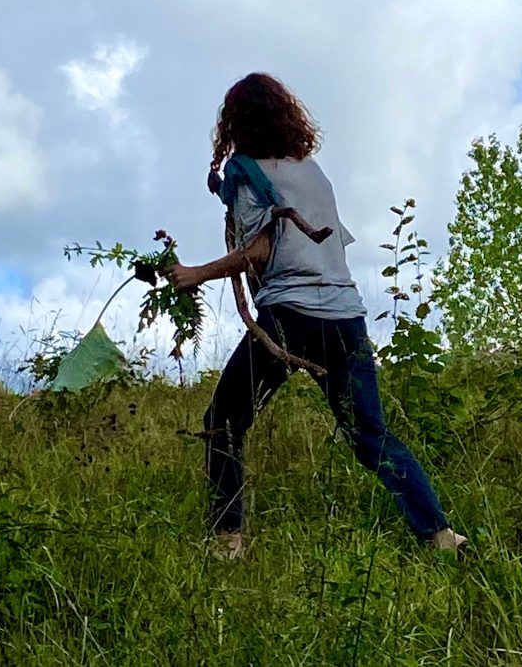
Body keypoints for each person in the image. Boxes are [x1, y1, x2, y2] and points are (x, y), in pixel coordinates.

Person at [164, 72, 466, 560]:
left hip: (292, 316)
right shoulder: (311, 171)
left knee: (223, 421)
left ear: (234, 122)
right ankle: (439, 536)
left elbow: (261, 250)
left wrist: (197, 274)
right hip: (347, 320)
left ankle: (228, 539)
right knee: (372, 437)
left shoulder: (246, 172)